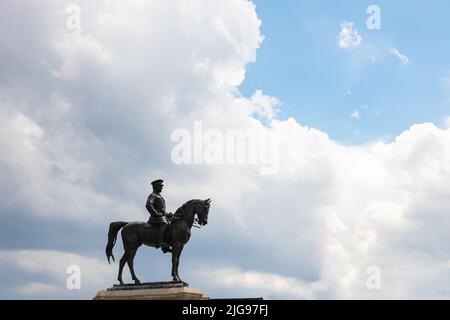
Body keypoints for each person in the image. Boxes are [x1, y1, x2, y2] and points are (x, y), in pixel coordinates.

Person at [146, 179, 172, 253]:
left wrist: (168, 214)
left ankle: (166, 245)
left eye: (161, 186)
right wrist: (156, 214)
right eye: (160, 186)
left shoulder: (159, 196)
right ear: (155, 186)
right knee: (165, 224)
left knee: (171, 223)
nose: (161, 187)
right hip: (155, 218)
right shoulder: (153, 195)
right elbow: (149, 205)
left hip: (161, 217)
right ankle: (159, 243)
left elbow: (161, 210)